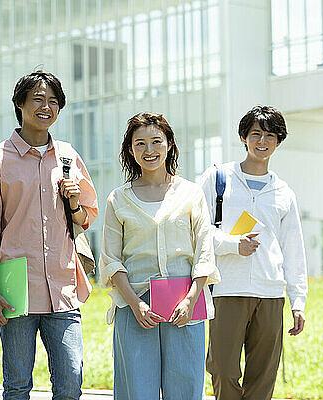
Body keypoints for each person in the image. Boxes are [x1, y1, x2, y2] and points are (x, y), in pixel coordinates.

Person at [0, 70, 98, 400]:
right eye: (37, 99)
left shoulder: (67, 156)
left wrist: (75, 201)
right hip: (15, 290)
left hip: (62, 286)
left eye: (53, 101)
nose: (46, 107)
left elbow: (85, 218)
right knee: (18, 386)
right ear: (19, 104)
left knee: (71, 381)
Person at [98, 112, 220, 400]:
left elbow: (204, 252)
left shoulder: (191, 193)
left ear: (169, 144)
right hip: (135, 305)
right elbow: (111, 260)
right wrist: (135, 304)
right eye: (140, 143)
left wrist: (191, 299)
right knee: (137, 392)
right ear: (130, 149)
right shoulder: (118, 199)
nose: (149, 150)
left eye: (156, 141)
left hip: (185, 306)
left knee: (186, 390)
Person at [200, 105, 308, 400]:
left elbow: (293, 249)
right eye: (256, 134)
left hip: (270, 293)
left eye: (270, 136)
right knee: (222, 368)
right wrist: (233, 245)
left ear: (278, 141)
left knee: (263, 376)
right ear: (244, 137)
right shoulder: (218, 178)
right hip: (226, 288)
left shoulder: (284, 192)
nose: (263, 142)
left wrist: (297, 301)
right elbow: (196, 228)